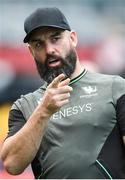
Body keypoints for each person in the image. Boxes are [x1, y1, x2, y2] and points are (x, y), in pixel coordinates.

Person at [0, 7, 125, 179]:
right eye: (38, 44)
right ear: (31, 52)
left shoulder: (116, 87)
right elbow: (12, 165)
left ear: (73, 38)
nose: (49, 49)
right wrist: (43, 112)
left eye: (56, 38)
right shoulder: (24, 106)